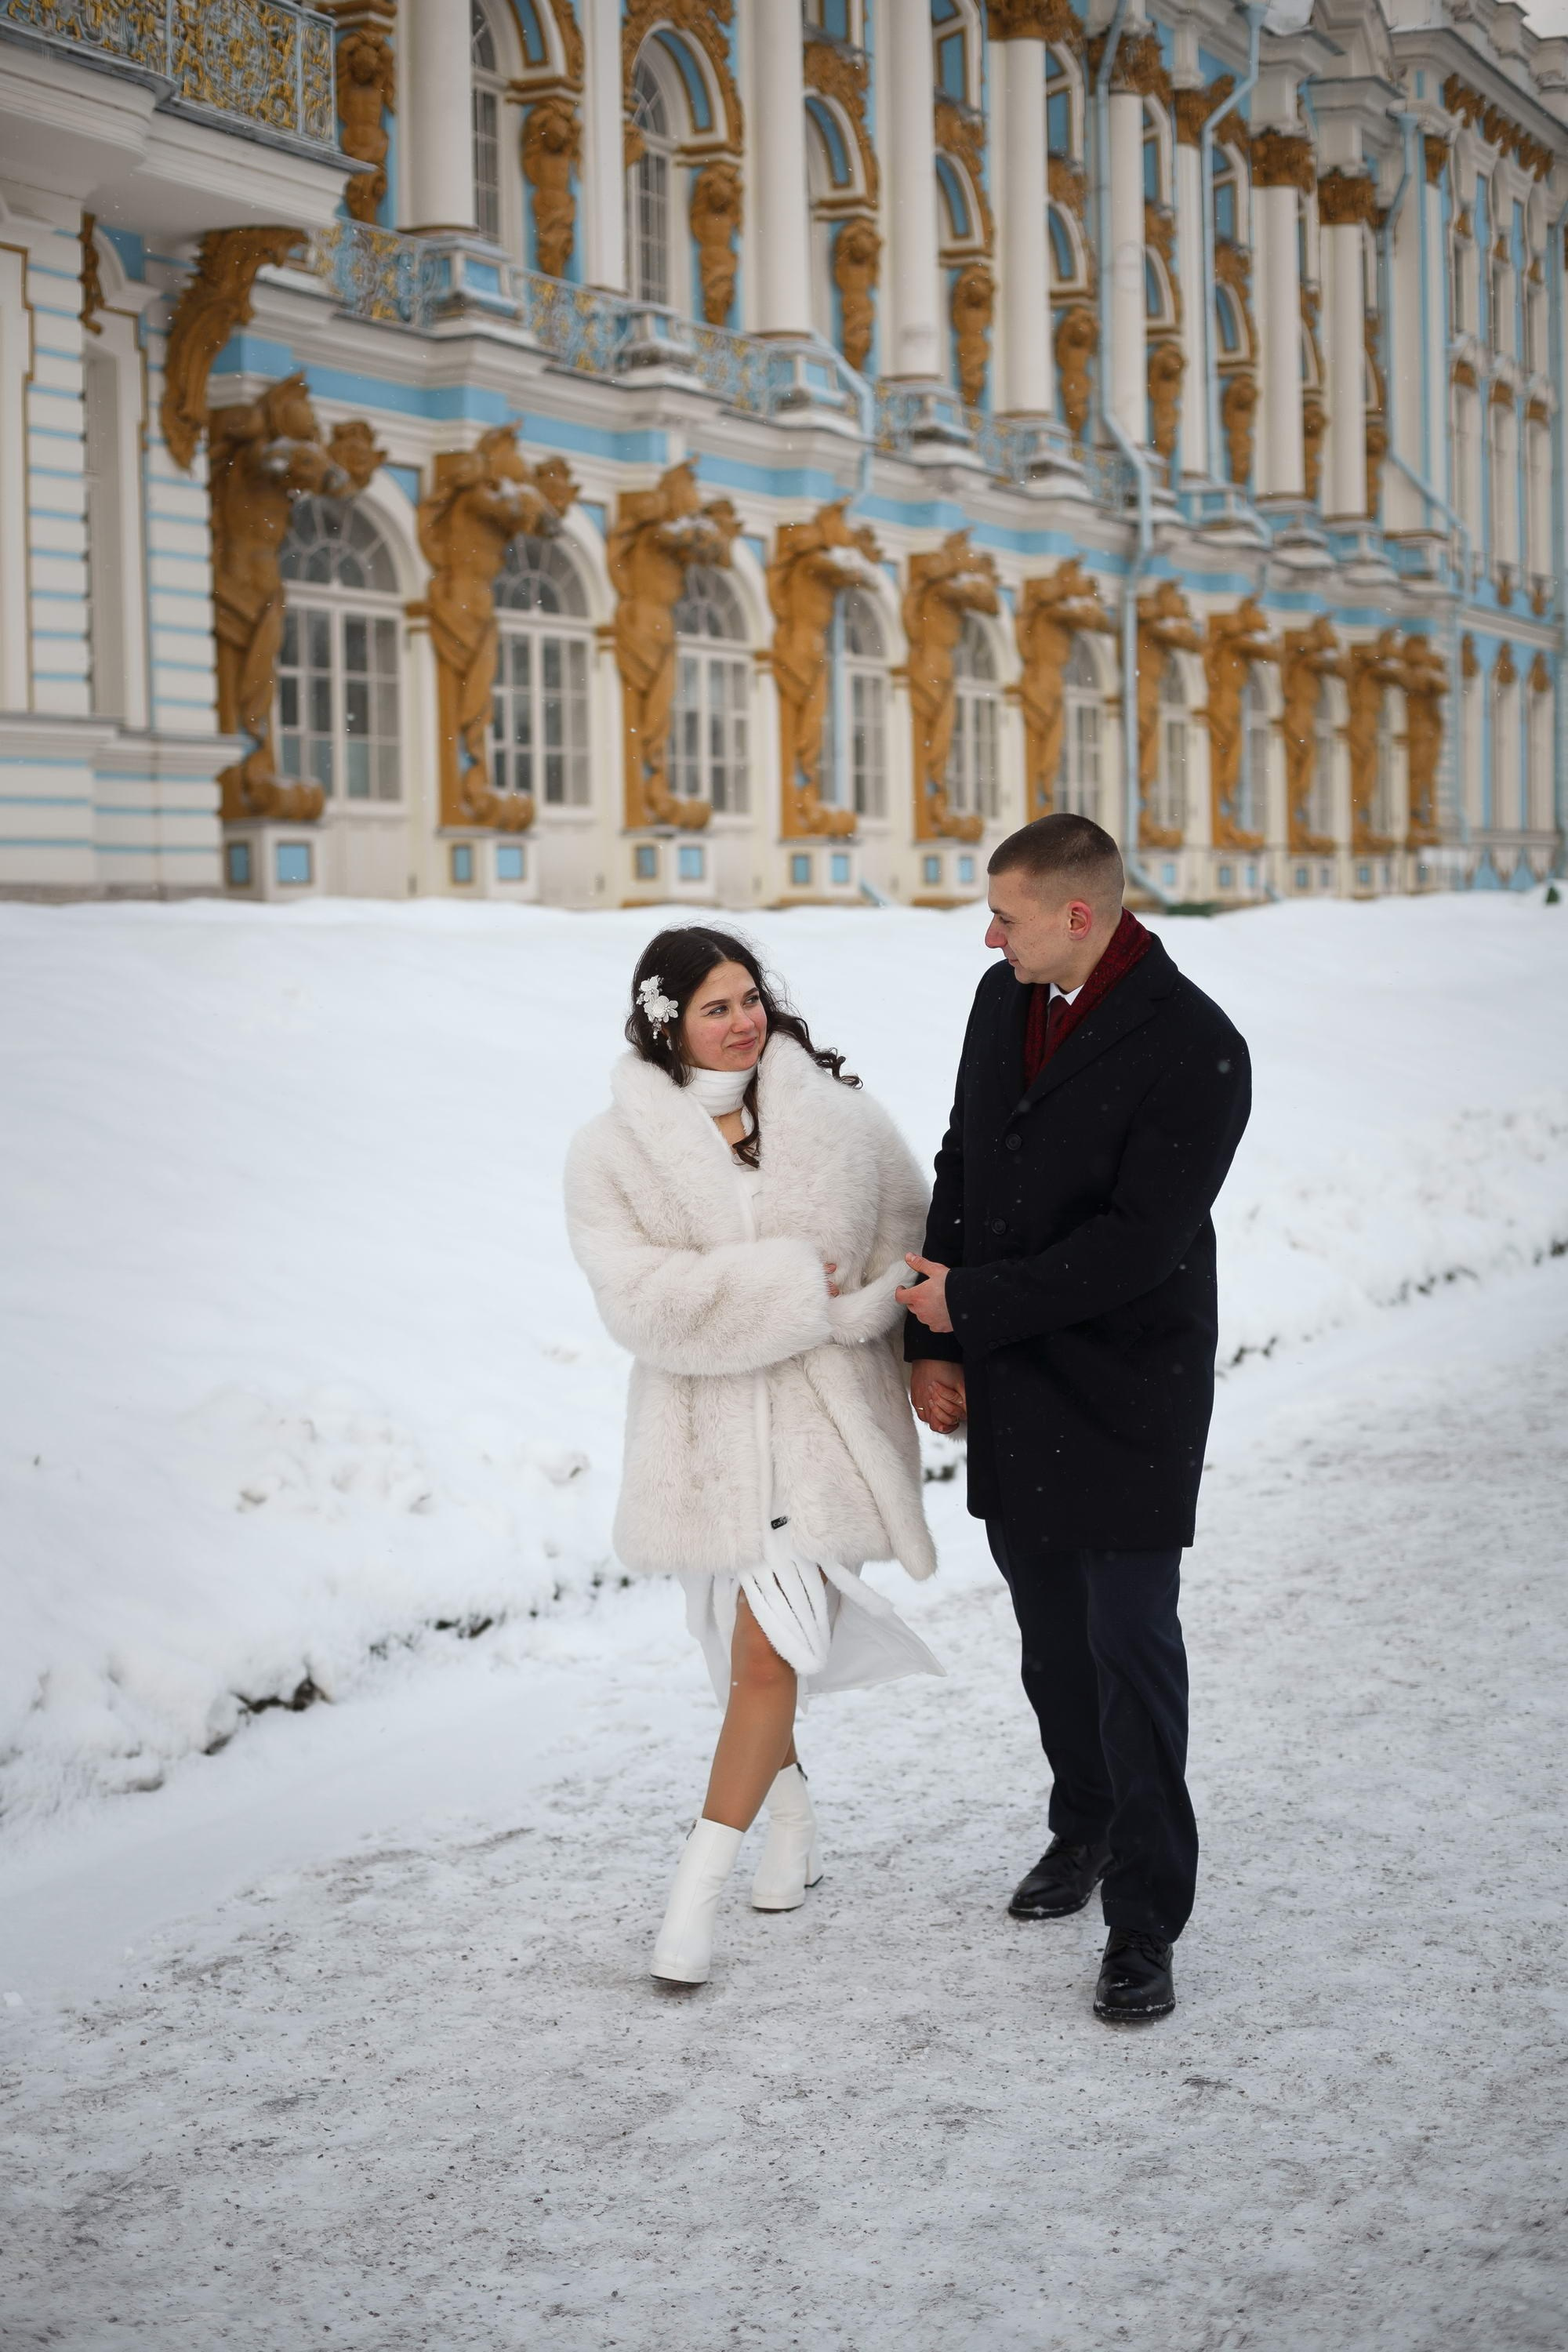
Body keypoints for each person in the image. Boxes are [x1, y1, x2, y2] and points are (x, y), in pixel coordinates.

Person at [898, 815, 1251, 2024]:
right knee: (1052, 1642)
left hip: (1129, 1389)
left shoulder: (1198, 1044)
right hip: (1014, 1380)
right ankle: (1084, 1825)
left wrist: (971, 1304)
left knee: (1130, 1647)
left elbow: (1139, 1248)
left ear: (1081, 915)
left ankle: (1145, 1920)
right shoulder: (1006, 1000)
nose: (988, 935)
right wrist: (933, 1338)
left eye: (1006, 914)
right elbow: (964, 1164)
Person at [565, 927, 942, 1990]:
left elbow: (910, 1249)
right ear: (663, 1023)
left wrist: (897, 1329)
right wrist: (788, 1290)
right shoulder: (611, 1152)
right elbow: (638, 1301)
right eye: (713, 1009)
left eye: (749, 998)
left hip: (828, 1435)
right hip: (707, 1445)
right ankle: (793, 1820)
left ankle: (691, 1900)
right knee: (740, 1661)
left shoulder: (843, 1122)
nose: (742, 1022)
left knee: (770, 1656)